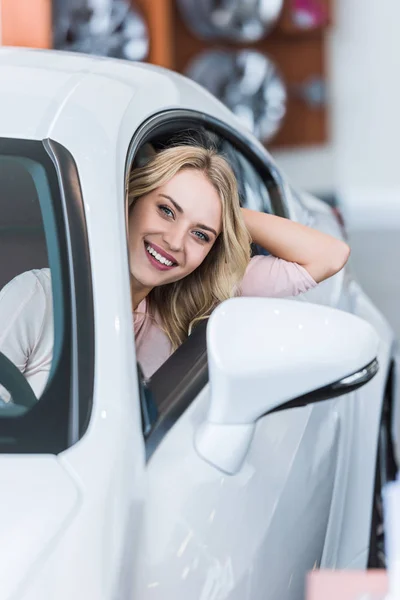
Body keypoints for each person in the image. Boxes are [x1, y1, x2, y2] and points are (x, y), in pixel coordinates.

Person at [0, 144, 350, 401]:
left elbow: (330, 255)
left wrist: (224, 210)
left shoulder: (188, 304)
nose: (175, 241)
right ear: (131, 201)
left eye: (201, 234)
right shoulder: (40, 296)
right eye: (166, 210)